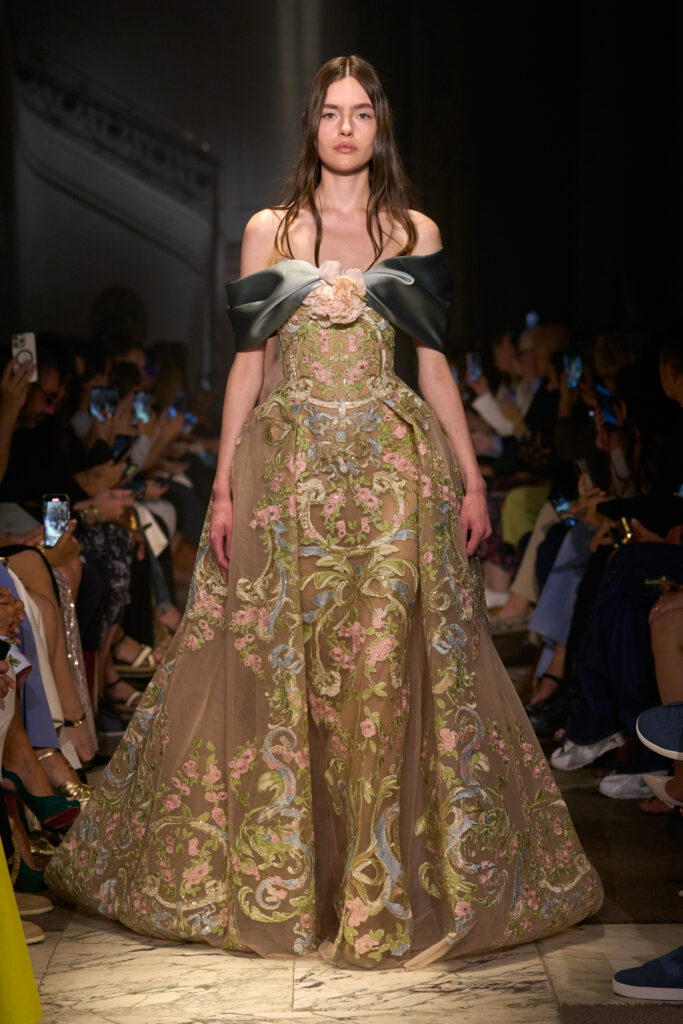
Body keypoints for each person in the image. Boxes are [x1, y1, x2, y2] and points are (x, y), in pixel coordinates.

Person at [45, 55, 602, 969]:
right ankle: (299, 884)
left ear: (380, 126)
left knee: (382, 676)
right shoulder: (269, 230)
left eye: (361, 113)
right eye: (332, 113)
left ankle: (379, 891)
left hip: (391, 476)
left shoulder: (413, 230)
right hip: (289, 472)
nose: (346, 128)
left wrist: (470, 481)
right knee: (291, 672)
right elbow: (250, 367)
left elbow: (433, 368)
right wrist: (225, 488)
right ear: (312, 124)